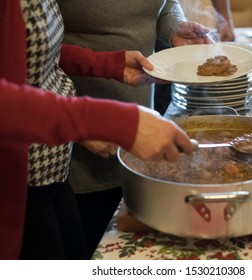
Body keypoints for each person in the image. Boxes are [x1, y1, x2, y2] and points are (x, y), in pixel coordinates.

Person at [0, 0, 193, 260]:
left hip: (50, 174)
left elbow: (36, 54)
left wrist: (106, 64)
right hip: (18, 181)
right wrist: (105, 121)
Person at [57, 0, 216, 257]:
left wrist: (173, 25)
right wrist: (79, 122)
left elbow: (164, 4)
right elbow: (32, 57)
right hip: (78, 146)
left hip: (139, 121)